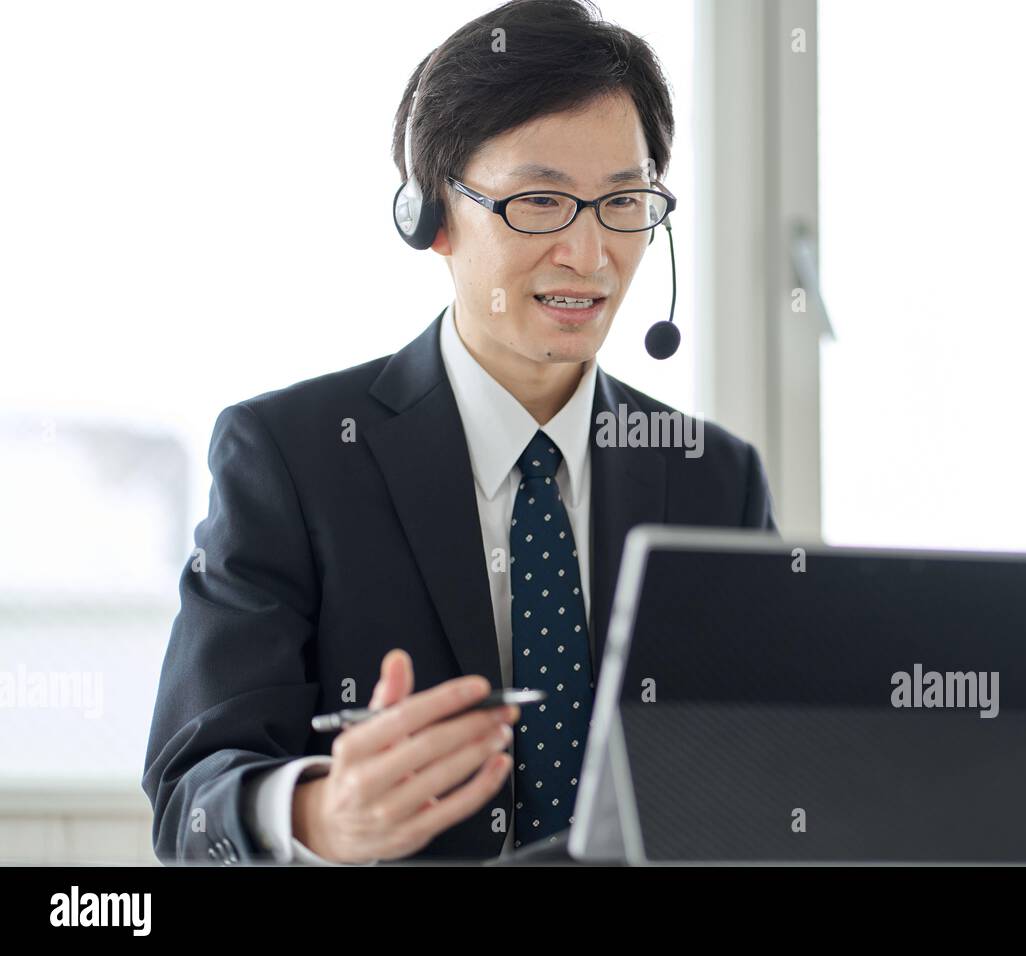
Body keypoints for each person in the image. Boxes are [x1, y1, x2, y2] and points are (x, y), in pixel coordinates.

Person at [142, 0, 775, 865]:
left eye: (624, 201)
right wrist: (320, 816)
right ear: (430, 215)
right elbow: (192, 797)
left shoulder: (715, 478)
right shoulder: (288, 457)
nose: (589, 256)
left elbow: (774, 770)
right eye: (541, 202)